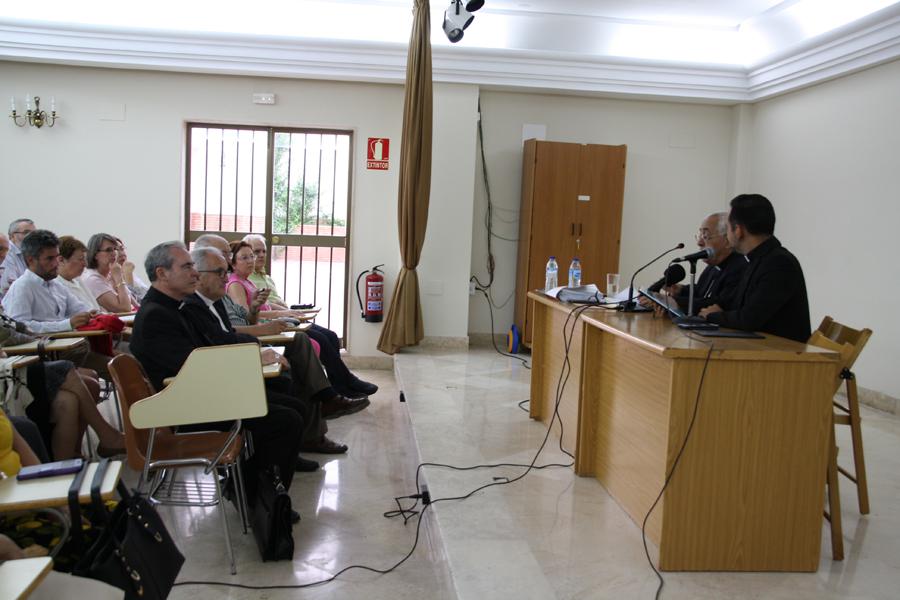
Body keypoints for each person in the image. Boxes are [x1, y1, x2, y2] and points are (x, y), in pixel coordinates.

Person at [129, 241, 303, 486]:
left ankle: (252, 487)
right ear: (162, 273)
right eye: (187, 266)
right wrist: (252, 359)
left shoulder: (173, 306)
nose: (194, 273)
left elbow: (207, 352)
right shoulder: (157, 315)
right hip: (183, 405)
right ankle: (257, 495)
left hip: (196, 393)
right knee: (286, 420)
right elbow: (193, 366)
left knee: (290, 406)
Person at [190, 247, 364, 453]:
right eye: (221, 267)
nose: (225, 272)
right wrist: (259, 338)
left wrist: (257, 310)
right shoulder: (213, 296)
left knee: (312, 341)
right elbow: (223, 338)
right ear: (197, 274)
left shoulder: (219, 298)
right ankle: (327, 402)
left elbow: (239, 323)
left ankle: (329, 399)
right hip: (231, 362)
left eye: (227, 262)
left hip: (244, 346)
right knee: (300, 360)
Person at [241, 233, 378, 398]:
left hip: (286, 316)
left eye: (263, 251)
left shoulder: (266, 277)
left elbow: (271, 302)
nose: (260, 255)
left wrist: (291, 310)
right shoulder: (247, 279)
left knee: (331, 336)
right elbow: (257, 310)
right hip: (276, 322)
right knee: (322, 339)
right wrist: (284, 312)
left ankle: (341, 385)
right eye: (255, 252)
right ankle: (346, 383)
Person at [699, 194, 811, 342]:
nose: (726, 234)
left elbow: (748, 319)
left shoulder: (779, 263)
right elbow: (734, 305)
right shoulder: (756, 259)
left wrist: (711, 315)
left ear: (738, 231)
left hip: (782, 357)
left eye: (727, 228)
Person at [1, 229, 94, 334]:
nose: (56, 264)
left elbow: (79, 309)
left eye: (57, 257)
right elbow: (18, 327)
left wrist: (90, 314)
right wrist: (67, 324)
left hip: (64, 345)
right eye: (50, 259)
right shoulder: (22, 287)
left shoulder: (57, 285)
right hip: (42, 348)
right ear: (30, 260)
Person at [665, 212, 746, 311]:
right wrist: (680, 290)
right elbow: (700, 292)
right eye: (700, 235)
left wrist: (673, 302)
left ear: (728, 240)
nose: (699, 243)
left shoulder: (740, 268)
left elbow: (718, 303)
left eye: (706, 235)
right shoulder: (712, 266)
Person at [82, 233, 139, 313]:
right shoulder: (92, 280)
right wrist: (119, 278)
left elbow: (135, 305)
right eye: (108, 250)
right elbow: (125, 309)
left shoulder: (110, 274)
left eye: (115, 249)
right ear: (95, 255)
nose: (114, 253)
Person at [57, 236, 103, 311]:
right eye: (81, 259)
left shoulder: (77, 280)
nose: (85, 264)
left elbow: (95, 309)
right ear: (61, 260)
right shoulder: (57, 285)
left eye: (85, 259)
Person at [1, 218, 35, 295]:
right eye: (26, 232)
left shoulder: (29, 253)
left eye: (34, 233)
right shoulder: (6, 252)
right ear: (12, 236)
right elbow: (9, 286)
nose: (32, 237)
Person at [114, 237, 150, 302]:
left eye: (122, 249)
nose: (122, 254)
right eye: (115, 250)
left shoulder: (127, 271)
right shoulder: (111, 277)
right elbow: (136, 302)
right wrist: (128, 275)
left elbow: (147, 295)